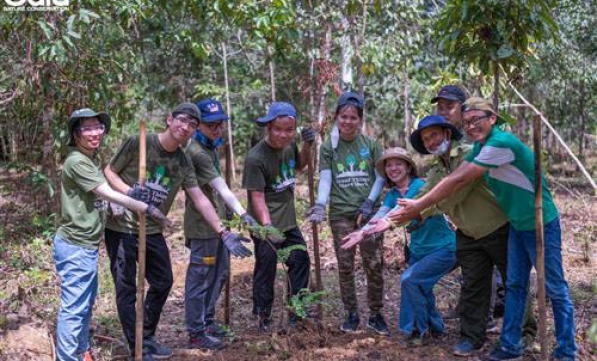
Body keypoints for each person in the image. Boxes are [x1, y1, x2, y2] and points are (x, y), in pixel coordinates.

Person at [390, 98, 577, 361]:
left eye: (477, 119)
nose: (471, 125)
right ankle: (509, 345)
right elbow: (442, 183)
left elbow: (459, 180)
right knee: (514, 285)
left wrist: (419, 205)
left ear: (492, 118)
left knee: (555, 287)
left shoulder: (500, 143)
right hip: (515, 225)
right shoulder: (478, 147)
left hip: (539, 222)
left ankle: (567, 350)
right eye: (466, 122)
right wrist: (389, 219)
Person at [104, 103, 250, 361]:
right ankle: (137, 345)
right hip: (122, 227)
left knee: (163, 282)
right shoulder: (140, 143)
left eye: (193, 124)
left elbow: (200, 198)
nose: (186, 127)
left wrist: (223, 232)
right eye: (182, 120)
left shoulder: (183, 161)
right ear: (170, 120)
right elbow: (109, 172)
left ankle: (146, 336)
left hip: (151, 230)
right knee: (126, 288)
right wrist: (128, 193)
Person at [405, 115, 537, 356]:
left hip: (499, 228)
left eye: (434, 135)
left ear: (446, 134)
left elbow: (455, 193)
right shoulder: (435, 169)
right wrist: (392, 218)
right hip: (467, 234)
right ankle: (471, 337)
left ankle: (525, 334)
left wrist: (421, 211)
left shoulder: (471, 153)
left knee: (514, 282)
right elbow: (421, 195)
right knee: (473, 286)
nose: (431, 141)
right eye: (426, 139)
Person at [54, 109, 169, 361]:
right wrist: (143, 205)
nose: (95, 133)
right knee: (74, 309)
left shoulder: (90, 158)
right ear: (76, 134)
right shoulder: (77, 161)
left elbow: (99, 197)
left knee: (84, 305)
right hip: (75, 245)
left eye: (98, 127)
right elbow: (105, 191)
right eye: (87, 128)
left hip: (86, 245)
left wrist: (114, 206)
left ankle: (82, 351)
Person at [342, 147, 456, 346]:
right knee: (422, 288)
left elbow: (396, 213)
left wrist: (368, 231)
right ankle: (435, 328)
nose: (393, 168)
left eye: (398, 164)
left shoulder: (421, 186)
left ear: (408, 167)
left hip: (443, 248)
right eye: (389, 165)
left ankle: (417, 331)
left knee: (410, 280)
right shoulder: (392, 193)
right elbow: (380, 215)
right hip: (418, 250)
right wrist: (361, 232)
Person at [306, 91, 388, 335]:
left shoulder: (371, 145)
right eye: (344, 116)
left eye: (353, 117)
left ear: (360, 119)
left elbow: (381, 176)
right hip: (341, 214)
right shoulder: (329, 147)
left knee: (373, 264)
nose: (348, 121)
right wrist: (321, 204)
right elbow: (326, 177)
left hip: (369, 214)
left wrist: (370, 202)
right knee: (345, 267)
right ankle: (351, 314)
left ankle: (376, 313)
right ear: (337, 117)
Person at [183, 98, 255, 351]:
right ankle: (196, 331)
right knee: (201, 278)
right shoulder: (195, 151)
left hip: (220, 226)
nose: (217, 130)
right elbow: (219, 187)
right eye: (211, 125)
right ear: (198, 125)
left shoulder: (211, 148)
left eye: (220, 125)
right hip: (204, 228)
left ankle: (208, 320)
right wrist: (244, 213)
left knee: (220, 273)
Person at [242, 102, 313, 331]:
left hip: (288, 221)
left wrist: (307, 145)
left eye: (289, 130)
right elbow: (257, 196)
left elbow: (299, 166)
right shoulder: (256, 158)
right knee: (267, 266)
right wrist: (267, 228)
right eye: (278, 129)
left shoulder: (290, 146)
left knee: (301, 259)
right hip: (265, 223)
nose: (283, 135)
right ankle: (263, 316)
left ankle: (297, 311)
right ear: (269, 128)